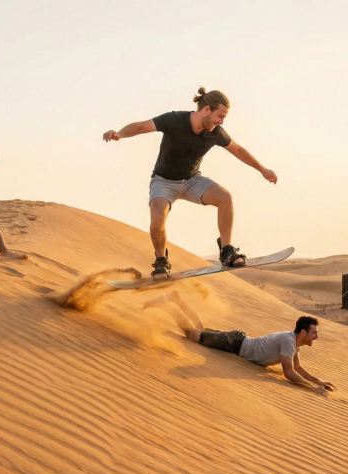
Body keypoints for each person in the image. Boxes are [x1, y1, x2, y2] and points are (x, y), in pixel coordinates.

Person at [102, 87, 278, 278]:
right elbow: (142, 126)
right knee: (157, 218)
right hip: (163, 181)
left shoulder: (216, 132)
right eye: (220, 116)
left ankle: (227, 251)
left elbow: (238, 150)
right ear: (207, 110)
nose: (221, 121)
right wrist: (119, 133)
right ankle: (161, 261)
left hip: (192, 180)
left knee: (225, 198)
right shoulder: (175, 120)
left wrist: (262, 169)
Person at [144, 291, 335, 393]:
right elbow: (288, 373)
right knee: (193, 336)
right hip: (235, 344)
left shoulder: (293, 343)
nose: (316, 337)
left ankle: (176, 299)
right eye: (314, 333)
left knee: (200, 330)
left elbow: (298, 369)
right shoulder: (288, 341)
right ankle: (167, 306)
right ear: (303, 332)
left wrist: (318, 381)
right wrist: (311, 388)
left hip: (238, 341)